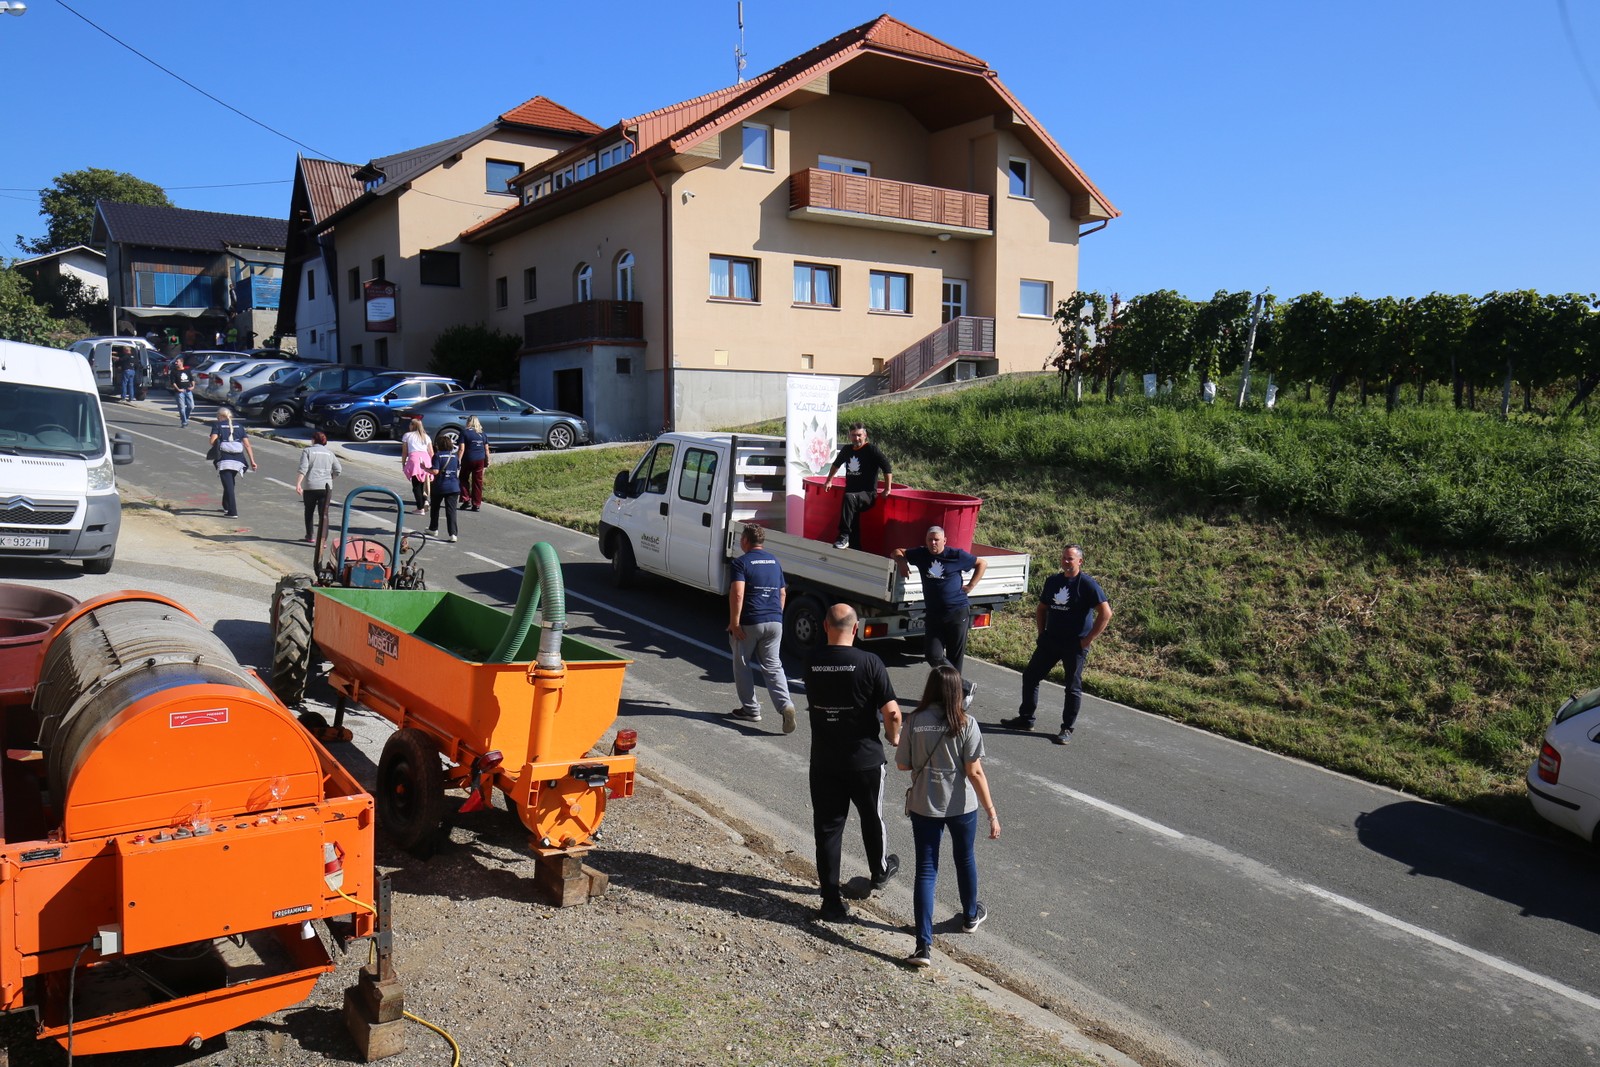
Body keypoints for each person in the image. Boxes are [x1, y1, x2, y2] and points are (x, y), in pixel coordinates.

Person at [896, 664, 1000, 968]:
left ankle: (923, 947)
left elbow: (903, 765)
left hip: (924, 804)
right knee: (964, 858)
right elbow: (975, 771)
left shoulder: (914, 721)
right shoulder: (967, 723)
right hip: (961, 806)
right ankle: (970, 916)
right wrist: (992, 812)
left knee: (926, 870)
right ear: (958, 692)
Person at [804, 603, 902, 921]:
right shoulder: (870, 662)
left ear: (824, 626)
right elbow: (892, 712)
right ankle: (879, 871)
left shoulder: (812, 661)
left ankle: (831, 901)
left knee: (828, 829)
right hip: (864, 761)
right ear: (856, 628)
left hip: (824, 761)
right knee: (871, 817)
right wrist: (894, 737)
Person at [1001, 544, 1114, 745]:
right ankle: (1026, 719)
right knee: (1030, 676)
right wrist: (1041, 633)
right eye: (1063, 558)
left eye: (1070, 559)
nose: (1066, 562)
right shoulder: (1053, 581)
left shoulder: (1087, 585)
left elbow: (1106, 614)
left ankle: (1066, 728)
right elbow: (1042, 608)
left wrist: (1087, 640)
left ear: (1080, 561)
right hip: (1051, 640)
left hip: (1074, 645)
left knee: (1072, 687)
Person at [892, 526, 987, 710]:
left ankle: (953, 700)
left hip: (957, 612)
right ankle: (965, 686)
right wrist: (902, 562)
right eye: (930, 540)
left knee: (954, 658)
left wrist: (971, 585)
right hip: (934, 614)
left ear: (945, 540)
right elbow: (897, 551)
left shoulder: (955, 555)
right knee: (933, 655)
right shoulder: (920, 554)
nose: (933, 543)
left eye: (936, 540)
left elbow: (981, 563)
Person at [724, 525, 796, 733]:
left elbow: (737, 593)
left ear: (745, 540)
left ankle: (751, 709)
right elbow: (782, 593)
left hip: (750, 621)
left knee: (743, 663)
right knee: (773, 666)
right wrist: (777, 617)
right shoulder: (774, 561)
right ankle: (786, 705)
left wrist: (735, 622)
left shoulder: (741, 563)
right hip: (775, 620)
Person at [824, 423, 893, 550]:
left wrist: (887, 489)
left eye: (859, 435)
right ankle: (855, 548)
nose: (856, 438)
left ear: (865, 435)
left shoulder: (871, 449)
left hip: (867, 495)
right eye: (853, 435)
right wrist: (829, 480)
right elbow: (836, 465)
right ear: (849, 436)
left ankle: (843, 535)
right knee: (853, 522)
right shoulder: (847, 450)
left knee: (850, 498)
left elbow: (887, 467)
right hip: (851, 495)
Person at [208, 407, 256, 518]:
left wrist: (217, 439)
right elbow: (247, 445)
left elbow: (212, 442)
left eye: (217, 416)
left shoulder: (217, 425)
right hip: (239, 460)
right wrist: (252, 461)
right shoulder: (239, 426)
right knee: (230, 483)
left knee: (228, 485)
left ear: (221, 416)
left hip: (224, 459)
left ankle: (232, 512)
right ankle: (226, 505)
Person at [294, 431, 342, 543]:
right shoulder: (330, 453)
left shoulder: (307, 451)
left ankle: (310, 535)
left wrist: (298, 484)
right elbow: (338, 469)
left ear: (313, 440)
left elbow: (303, 468)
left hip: (310, 486)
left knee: (309, 512)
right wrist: (330, 478)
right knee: (324, 514)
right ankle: (323, 540)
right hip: (326, 487)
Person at [428, 443, 462, 543]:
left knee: (435, 508)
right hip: (453, 486)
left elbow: (435, 471)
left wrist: (424, 468)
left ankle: (433, 528)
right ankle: (453, 534)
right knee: (451, 511)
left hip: (439, 486)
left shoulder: (437, 456)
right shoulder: (455, 456)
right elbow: (457, 468)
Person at [400, 418, 434, 514]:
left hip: (415, 459)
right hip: (426, 459)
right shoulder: (426, 437)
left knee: (416, 485)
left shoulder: (407, 436)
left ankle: (420, 508)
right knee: (425, 483)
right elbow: (431, 452)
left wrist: (403, 463)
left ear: (412, 425)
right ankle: (425, 500)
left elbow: (404, 452)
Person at [458, 416, 491, 511]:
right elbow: (486, 449)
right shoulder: (482, 434)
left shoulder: (464, 433)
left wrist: (458, 460)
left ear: (468, 422)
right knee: (477, 482)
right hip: (480, 459)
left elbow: (461, 449)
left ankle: (466, 499)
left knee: (463, 478)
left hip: (468, 459)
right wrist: (487, 461)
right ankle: (476, 504)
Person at [169, 356, 195, 427]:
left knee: (191, 406)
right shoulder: (174, 371)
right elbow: (173, 382)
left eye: (177, 362)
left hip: (188, 391)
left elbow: (192, 380)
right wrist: (178, 389)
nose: (176, 363)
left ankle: (185, 418)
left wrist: (192, 386)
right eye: (176, 362)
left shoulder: (187, 371)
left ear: (181, 362)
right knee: (182, 408)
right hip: (179, 392)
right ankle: (184, 422)